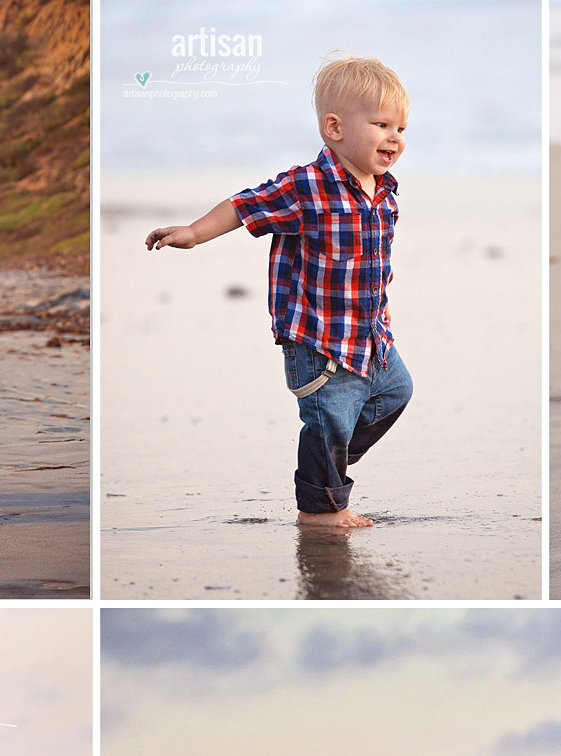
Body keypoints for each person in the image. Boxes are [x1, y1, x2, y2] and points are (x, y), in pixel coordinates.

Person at [144, 54, 413, 530]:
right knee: (328, 420)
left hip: (370, 335)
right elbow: (245, 205)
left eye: (401, 128)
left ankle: (325, 468)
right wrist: (193, 231)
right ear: (335, 127)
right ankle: (320, 507)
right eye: (382, 125)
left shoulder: (384, 192)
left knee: (395, 393)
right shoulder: (307, 186)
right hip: (318, 341)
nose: (395, 138)